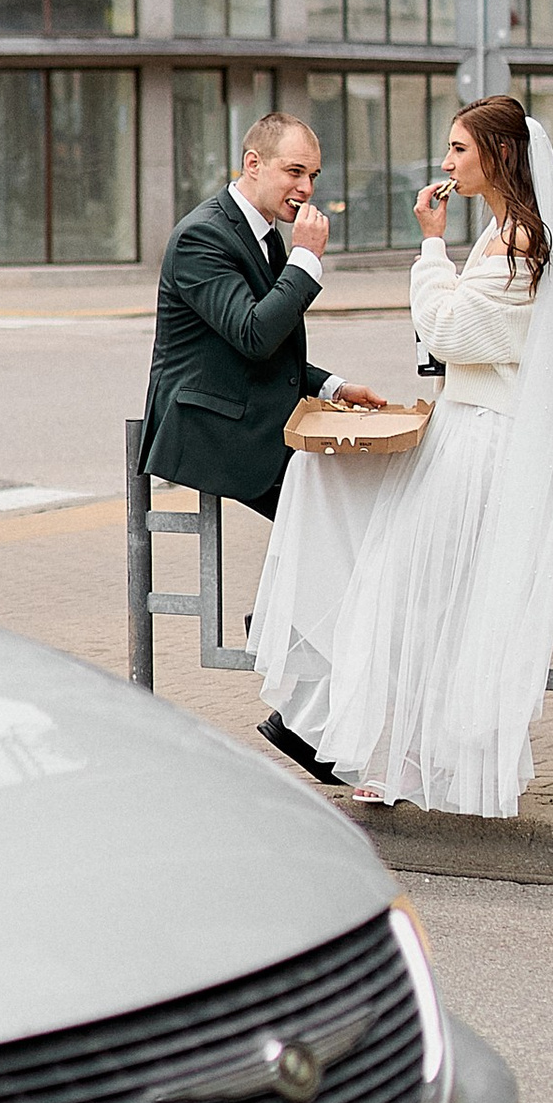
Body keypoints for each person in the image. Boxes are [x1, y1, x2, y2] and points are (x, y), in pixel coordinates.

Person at [249, 95, 553, 819]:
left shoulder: (520, 240)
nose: (445, 163)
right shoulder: (505, 234)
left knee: (415, 591)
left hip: (482, 444)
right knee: (424, 596)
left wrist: (431, 246)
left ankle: (413, 758)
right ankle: (402, 755)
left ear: (497, 157)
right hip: (465, 431)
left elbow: (450, 334)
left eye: (458, 149)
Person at [139, 118, 392, 713]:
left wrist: (333, 386)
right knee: (342, 519)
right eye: (294, 172)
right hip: (210, 425)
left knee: (354, 518)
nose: (306, 188)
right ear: (253, 164)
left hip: (252, 410)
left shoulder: (264, 234)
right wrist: (305, 264)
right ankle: (281, 633)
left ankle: (290, 648)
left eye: (313, 175)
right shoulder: (202, 237)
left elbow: (267, 349)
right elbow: (253, 335)